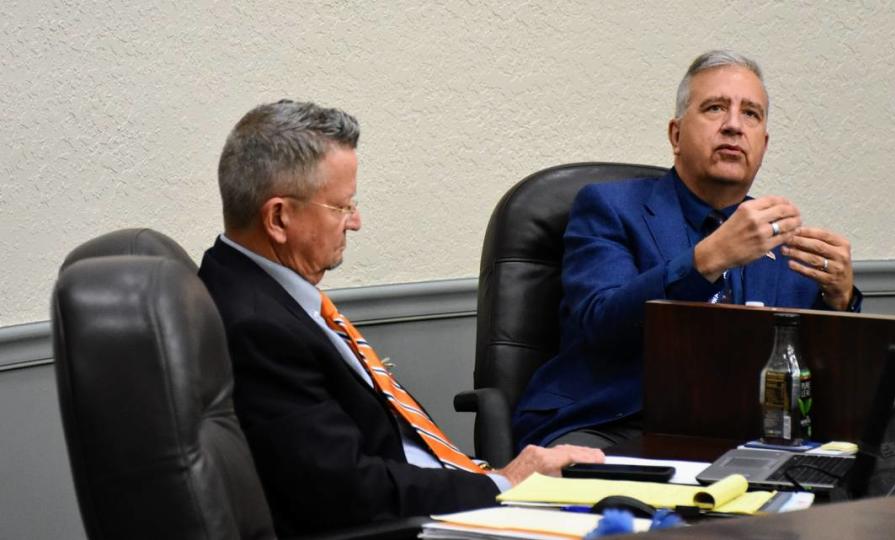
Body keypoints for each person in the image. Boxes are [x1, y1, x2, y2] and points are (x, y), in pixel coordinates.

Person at [198, 100, 603, 535]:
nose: (355, 221)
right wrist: (505, 484)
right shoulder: (255, 327)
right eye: (341, 206)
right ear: (279, 217)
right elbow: (349, 491)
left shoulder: (265, 291)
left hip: (445, 498)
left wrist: (495, 481)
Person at [512, 50, 863, 451]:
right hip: (615, 425)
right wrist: (708, 260)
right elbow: (602, 323)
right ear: (676, 135)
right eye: (715, 108)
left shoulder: (782, 239)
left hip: (743, 437)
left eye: (751, 114)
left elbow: (814, 380)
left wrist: (841, 302)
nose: (734, 126)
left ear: (763, 144)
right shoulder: (610, 208)